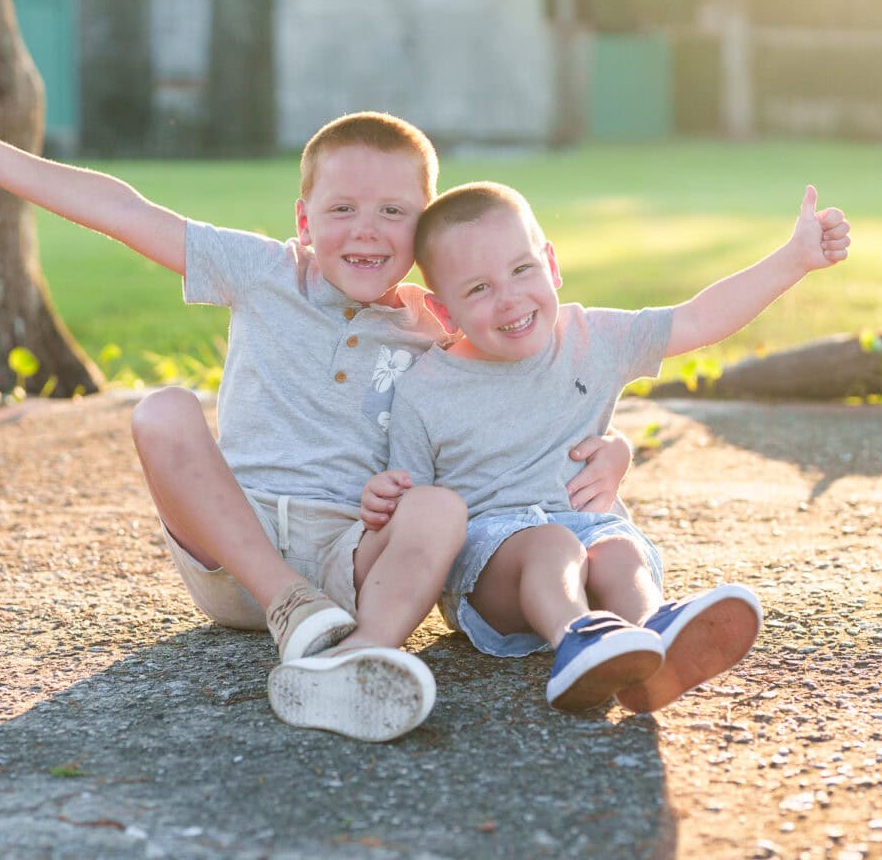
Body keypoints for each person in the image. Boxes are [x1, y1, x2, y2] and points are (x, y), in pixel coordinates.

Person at [0, 93, 632, 740]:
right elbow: (126, 211)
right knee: (162, 411)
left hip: (350, 566)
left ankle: (359, 662)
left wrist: (613, 448)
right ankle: (286, 605)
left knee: (439, 508)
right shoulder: (263, 272)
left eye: (394, 212)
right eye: (341, 210)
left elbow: (537, 389)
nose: (366, 231)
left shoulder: (439, 325)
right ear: (303, 219)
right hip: (232, 550)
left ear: (426, 229)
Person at [364, 180, 851, 713]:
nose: (510, 299)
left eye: (522, 270)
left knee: (617, 549)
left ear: (550, 264)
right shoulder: (424, 388)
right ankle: (578, 639)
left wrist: (796, 258)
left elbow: (699, 318)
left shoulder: (591, 338)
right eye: (478, 289)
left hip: (591, 532)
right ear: (445, 312)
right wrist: (384, 497)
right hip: (493, 569)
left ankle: (650, 640)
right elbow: (413, 510)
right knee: (555, 545)